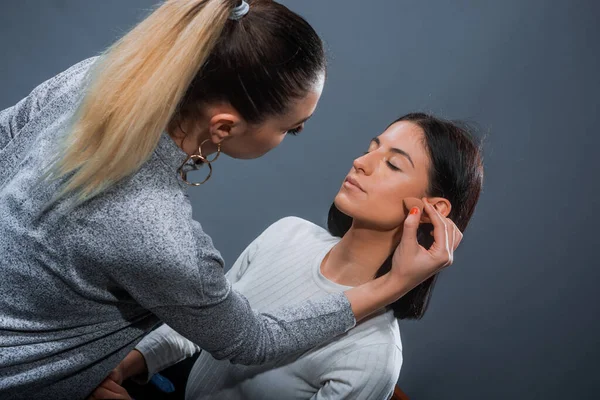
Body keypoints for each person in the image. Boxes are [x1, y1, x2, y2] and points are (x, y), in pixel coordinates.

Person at [0, 0, 461, 398]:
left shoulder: (99, 76)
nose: (360, 162)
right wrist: (395, 283)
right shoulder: (173, 232)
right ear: (223, 128)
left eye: (393, 163)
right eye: (290, 129)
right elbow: (248, 339)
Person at [91, 113, 483, 400]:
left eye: (393, 164)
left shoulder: (373, 356)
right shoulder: (288, 232)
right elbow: (202, 322)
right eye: (370, 149)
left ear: (434, 209)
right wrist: (130, 363)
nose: (361, 162)